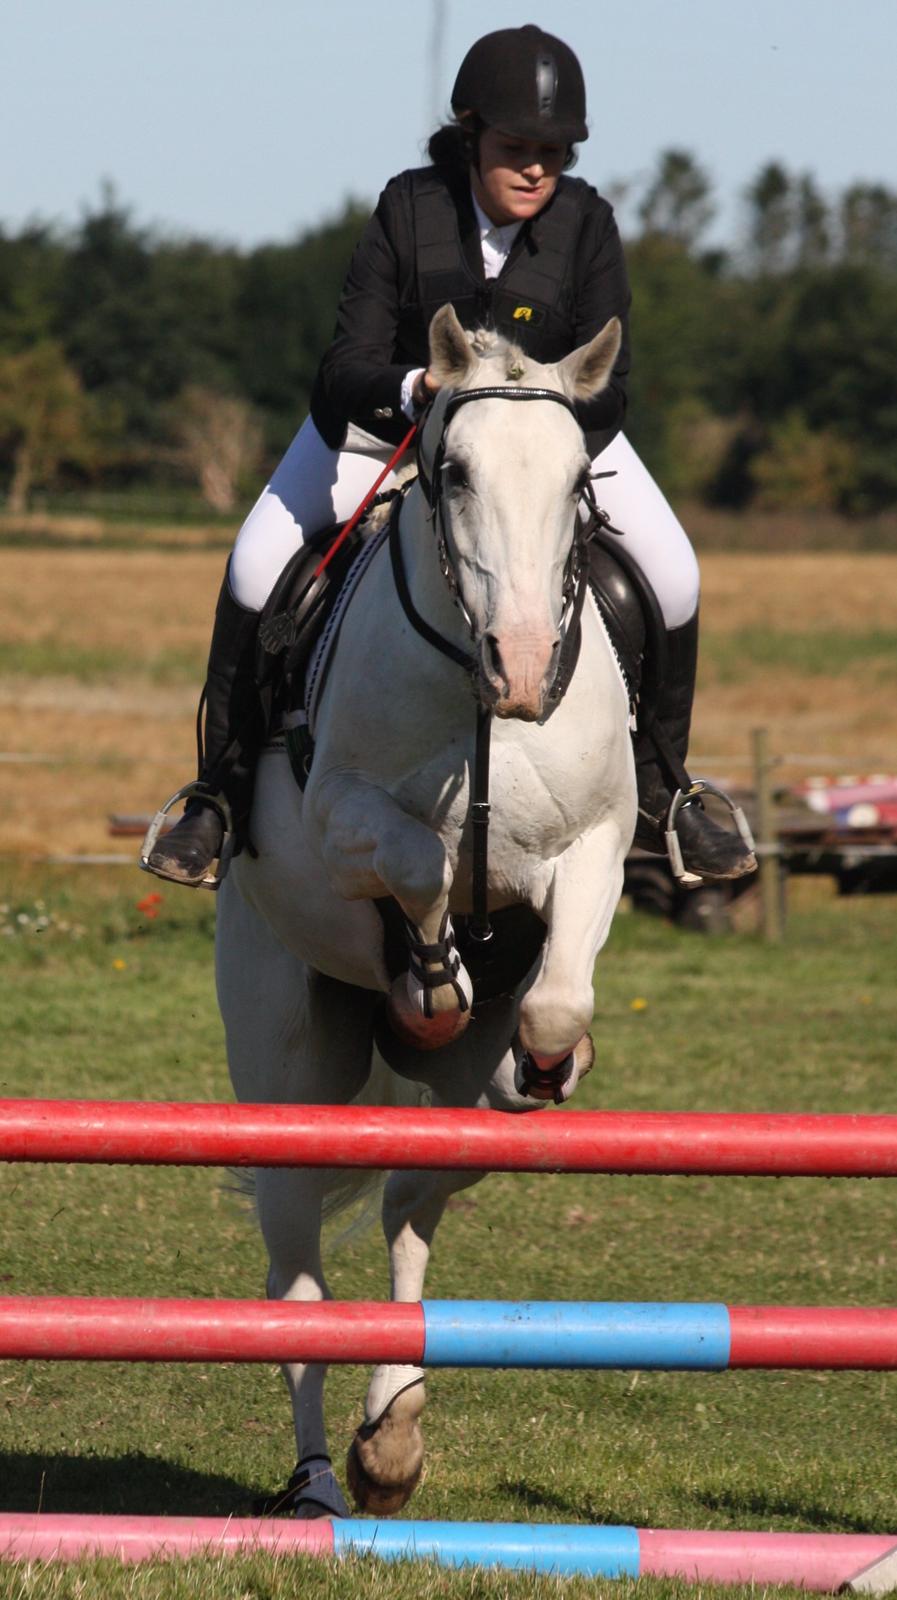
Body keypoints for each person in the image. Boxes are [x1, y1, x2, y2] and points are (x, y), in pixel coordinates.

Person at [145, 23, 755, 889]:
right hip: (382, 433)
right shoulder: (408, 206)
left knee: (676, 573)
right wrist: (413, 393)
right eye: (517, 147)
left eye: (554, 151)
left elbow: (613, 383)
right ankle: (220, 793)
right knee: (254, 568)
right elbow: (342, 367)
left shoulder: (587, 224)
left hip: (546, 445)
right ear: (470, 135)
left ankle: (664, 794)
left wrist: (546, 418)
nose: (537, 168)